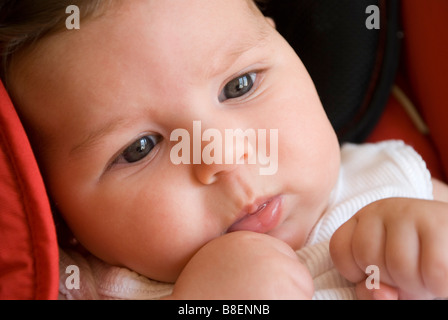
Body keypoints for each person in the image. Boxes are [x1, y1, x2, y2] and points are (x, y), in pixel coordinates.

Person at [1, 0, 448, 300]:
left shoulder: (396, 184)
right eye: (140, 148)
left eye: (240, 85)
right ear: (56, 208)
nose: (222, 156)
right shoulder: (79, 284)